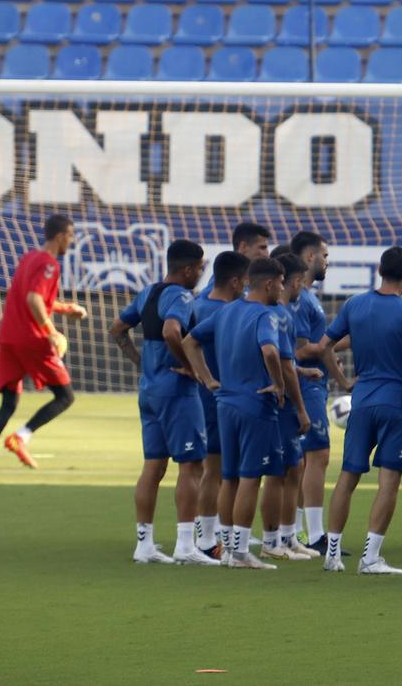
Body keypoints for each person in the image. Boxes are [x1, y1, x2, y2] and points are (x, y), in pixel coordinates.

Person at [181, 257, 310, 571]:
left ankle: (227, 549)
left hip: (225, 404)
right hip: (255, 406)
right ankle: (239, 553)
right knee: (252, 479)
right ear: (269, 283)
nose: (282, 288)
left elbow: (189, 341)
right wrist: (278, 384)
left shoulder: (227, 311)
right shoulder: (264, 315)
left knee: (230, 478)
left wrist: (208, 378)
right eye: (280, 282)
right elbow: (269, 351)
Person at [323, 245, 402, 575]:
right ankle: (370, 557)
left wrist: (343, 381)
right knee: (388, 482)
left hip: (362, 400)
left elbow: (324, 345)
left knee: (348, 477)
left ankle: (332, 554)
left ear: (380, 270)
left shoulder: (355, 304)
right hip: (395, 403)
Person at [110, 239, 211, 565]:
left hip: (149, 390)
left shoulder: (148, 292)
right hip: (177, 392)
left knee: (153, 467)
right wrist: (188, 364)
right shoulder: (181, 296)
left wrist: (139, 361)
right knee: (192, 465)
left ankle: (145, 544)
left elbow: (118, 328)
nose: (201, 272)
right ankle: (185, 545)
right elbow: (171, 331)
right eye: (199, 267)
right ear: (187, 269)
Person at [0, 214, 83, 471]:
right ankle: (20, 437)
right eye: (70, 235)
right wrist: (51, 331)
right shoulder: (49, 264)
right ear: (60, 237)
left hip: (8, 338)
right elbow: (34, 300)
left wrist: (65, 308)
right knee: (65, 396)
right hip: (32, 339)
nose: (72, 240)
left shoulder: (28, 257)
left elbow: (35, 299)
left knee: (10, 402)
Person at [287, 232, 346, 555]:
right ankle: (314, 535)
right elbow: (299, 348)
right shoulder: (300, 299)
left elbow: (318, 344)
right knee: (317, 456)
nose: (327, 261)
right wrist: (328, 349)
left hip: (314, 384)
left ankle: (295, 532)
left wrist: (330, 348)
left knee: (305, 459)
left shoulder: (308, 296)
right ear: (309, 258)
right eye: (324, 255)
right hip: (305, 385)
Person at [189, 250, 250, 560]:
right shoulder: (221, 311)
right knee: (217, 470)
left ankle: (215, 535)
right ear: (236, 281)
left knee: (218, 470)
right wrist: (208, 378)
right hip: (216, 399)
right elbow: (188, 343)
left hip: (208, 397)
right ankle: (208, 539)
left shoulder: (199, 304)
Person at [258, 252, 317, 563]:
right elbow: (279, 361)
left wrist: (301, 370)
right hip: (279, 403)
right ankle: (271, 541)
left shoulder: (274, 313)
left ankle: (288, 537)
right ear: (293, 281)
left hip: (276, 397)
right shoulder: (277, 315)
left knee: (295, 467)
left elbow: (287, 362)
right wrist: (301, 407)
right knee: (278, 472)